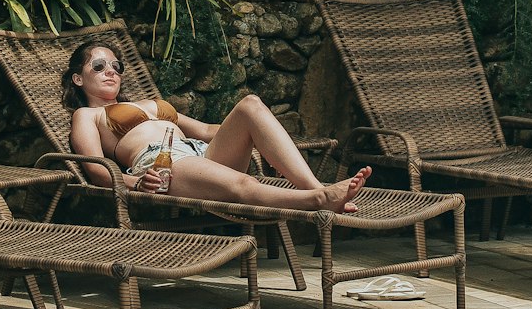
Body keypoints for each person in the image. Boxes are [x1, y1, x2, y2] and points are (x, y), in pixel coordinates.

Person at [62, 39, 371, 213]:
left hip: (201, 153)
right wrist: (136, 183)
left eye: (116, 66)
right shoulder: (87, 116)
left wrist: (270, 146)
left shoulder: (147, 103)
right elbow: (96, 171)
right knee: (244, 185)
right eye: (99, 66)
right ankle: (318, 200)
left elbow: (209, 131)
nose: (111, 72)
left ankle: (317, 188)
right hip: (162, 164)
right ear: (78, 78)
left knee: (250, 104)